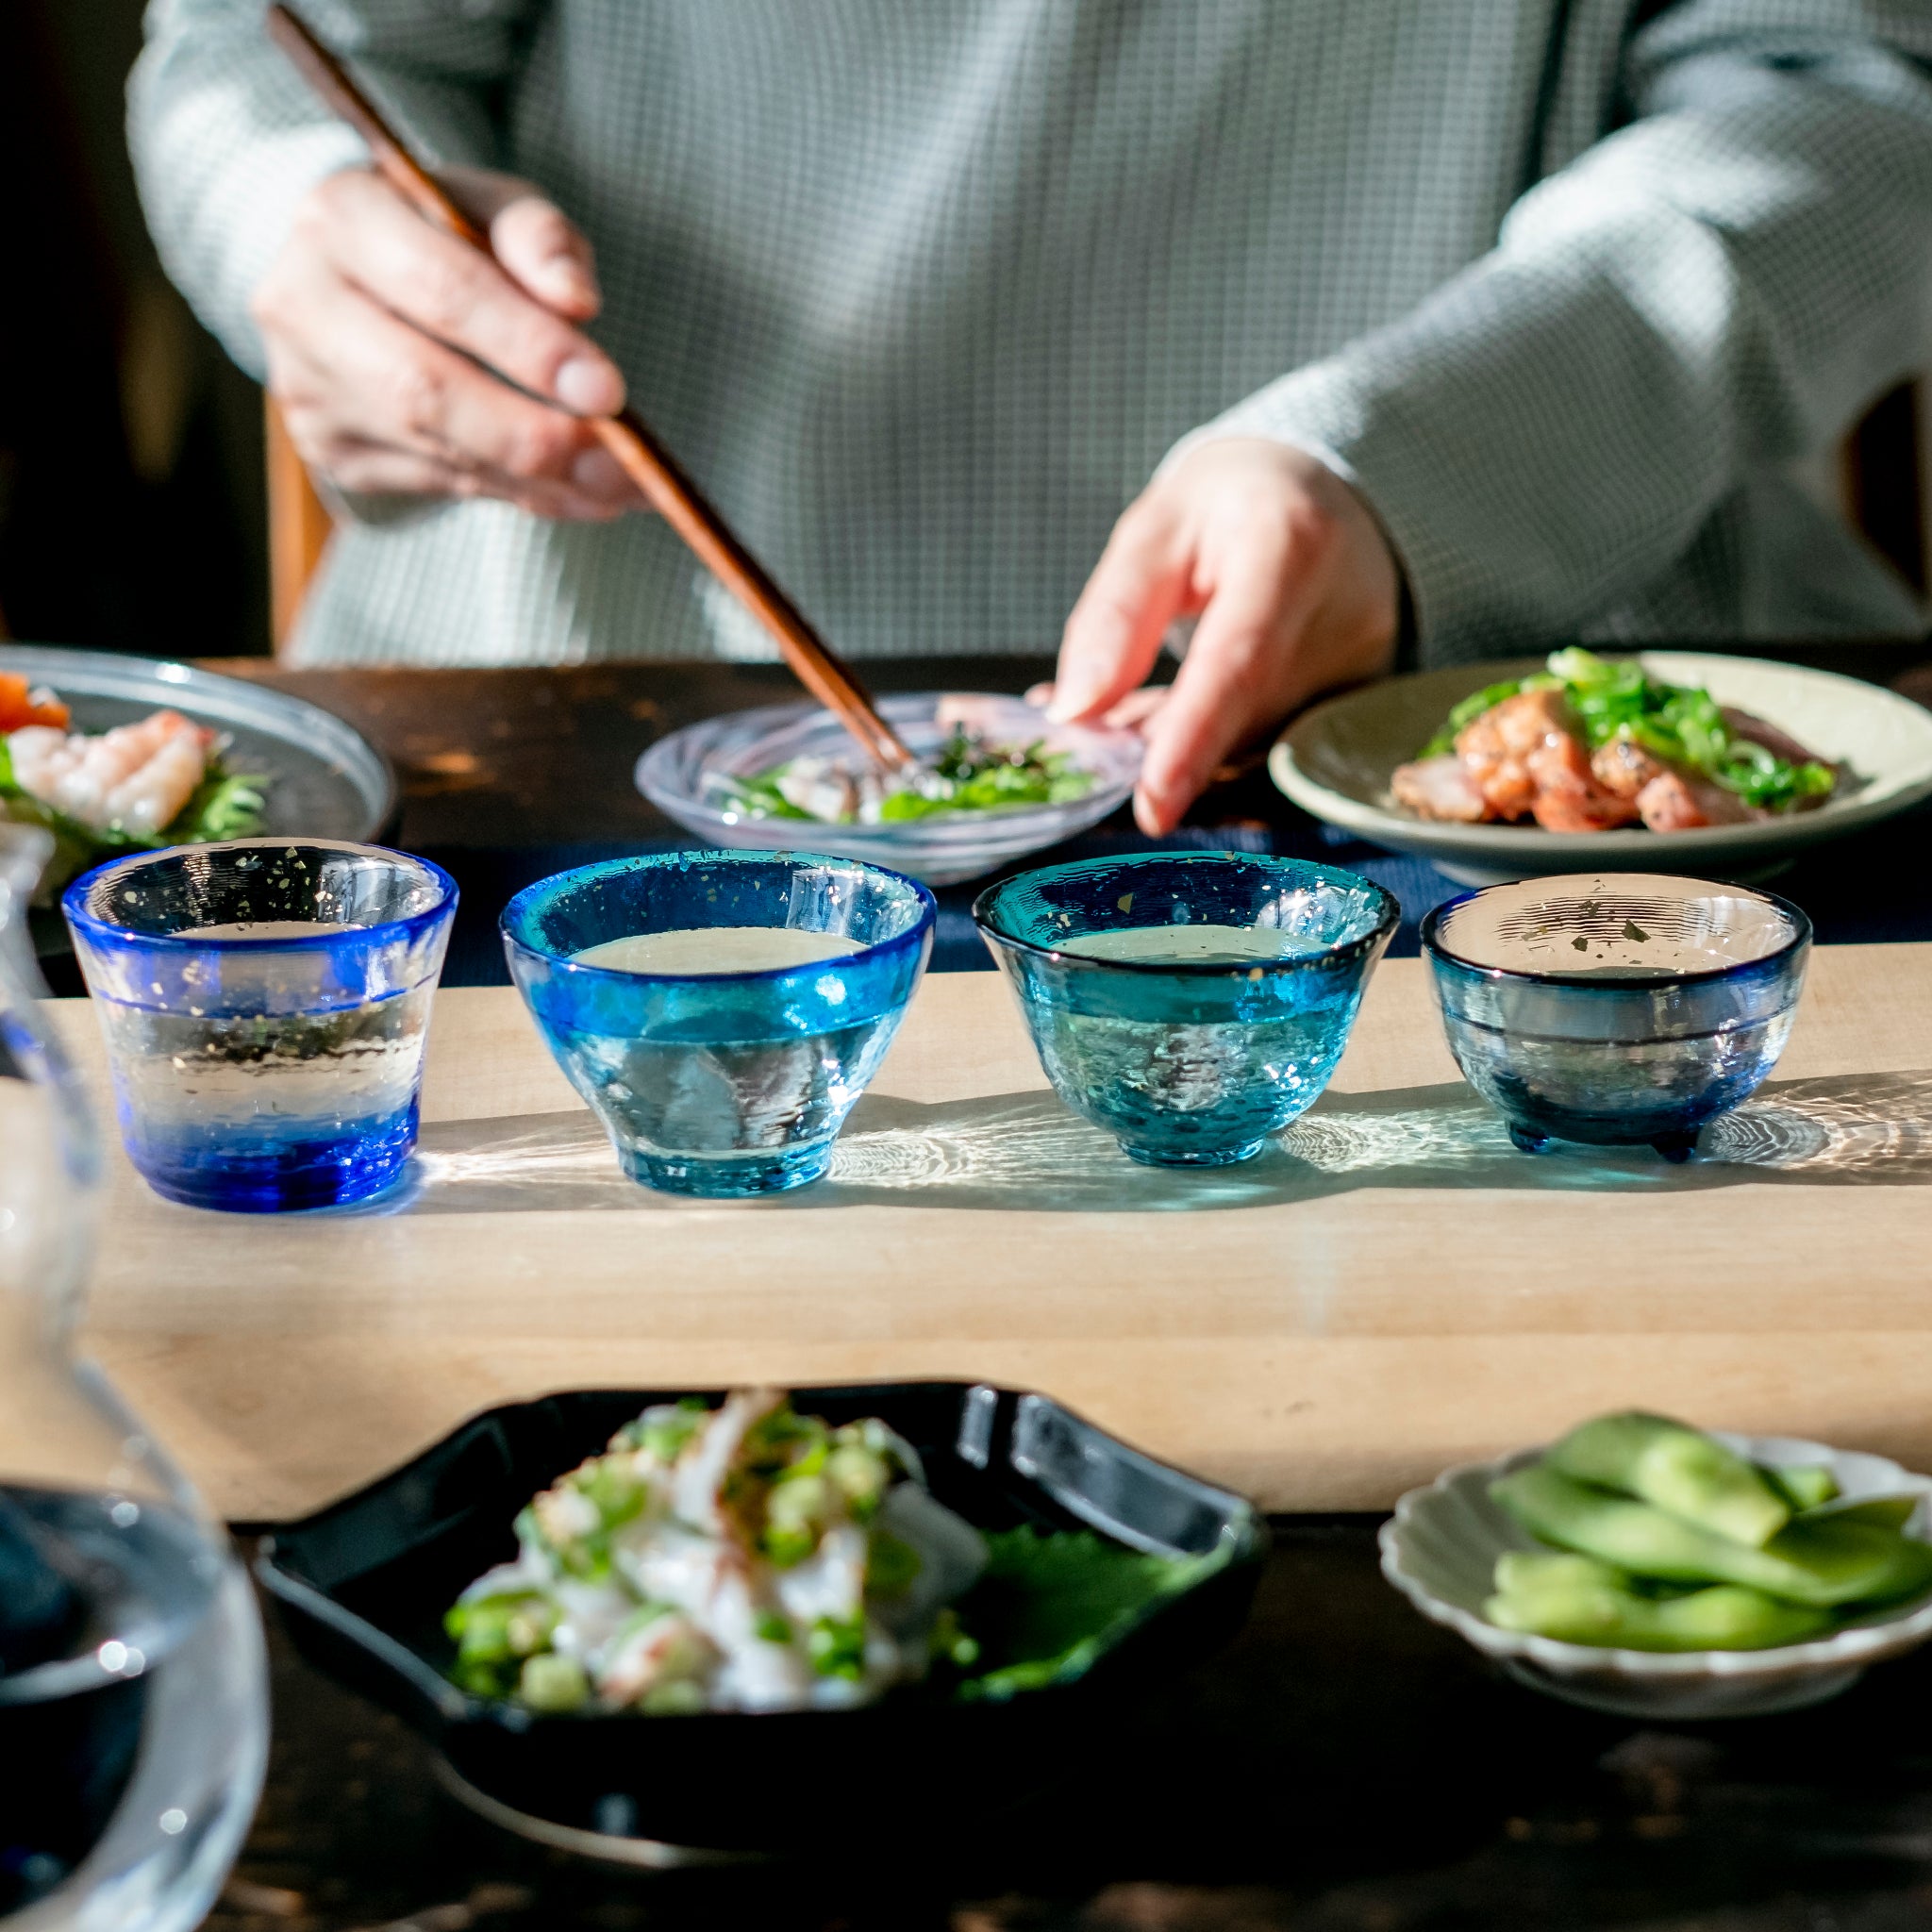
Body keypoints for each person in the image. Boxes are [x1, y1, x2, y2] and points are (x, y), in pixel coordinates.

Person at [132, 3, 1932, 834]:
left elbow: (1843, 94)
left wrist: (1418, 464)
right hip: (571, 733)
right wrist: (308, 233)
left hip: (1473, 726)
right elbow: (254, 50)